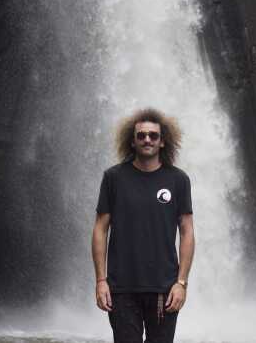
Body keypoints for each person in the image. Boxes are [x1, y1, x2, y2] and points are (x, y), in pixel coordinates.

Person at [92, 108, 195, 343]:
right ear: (132, 141)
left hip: (165, 289)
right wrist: (100, 281)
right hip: (121, 288)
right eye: (141, 135)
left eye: (153, 135)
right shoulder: (113, 178)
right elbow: (100, 228)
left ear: (162, 141)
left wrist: (181, 283)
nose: (147, 139)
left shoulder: (178, 180)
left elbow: (187, 231)